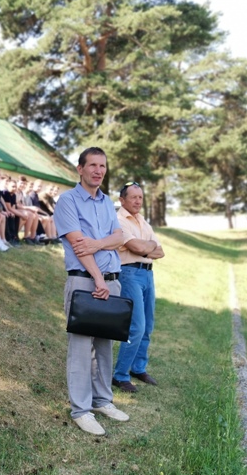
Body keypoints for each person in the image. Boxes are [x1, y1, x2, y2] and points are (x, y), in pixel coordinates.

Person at [53, 146, 129, 436]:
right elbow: (77, 244)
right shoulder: (68, 200)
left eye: (102, 166)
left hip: (111, 281)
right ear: (80, 169)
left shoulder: (107, 202)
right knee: (81, 348)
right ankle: (81, 410)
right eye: (93, 165)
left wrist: (97, 244)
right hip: (85, 282)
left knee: (104, 344)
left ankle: (102, 400)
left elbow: (119, 237)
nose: (98, 171)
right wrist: (98, 279)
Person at [112, 182, 165, 392]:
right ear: (122, 200)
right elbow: (135, 246)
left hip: (148, 274)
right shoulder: (118, 220)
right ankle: (120, 375)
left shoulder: (142, 221)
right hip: (129, 274)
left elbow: (160, 252)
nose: (137, 201)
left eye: (140, 197)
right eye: (133, 197)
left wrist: (145, 248)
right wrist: (146, 246)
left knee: (148, 326)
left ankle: (138, 368)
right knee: (136, 327)